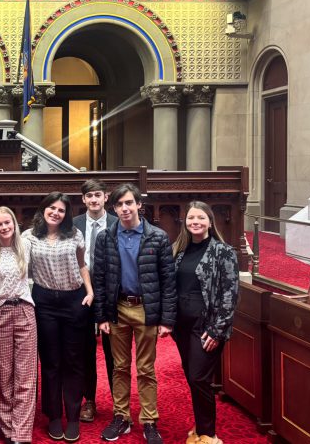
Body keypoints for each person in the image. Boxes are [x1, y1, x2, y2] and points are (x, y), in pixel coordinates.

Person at [93, 184, 176, 444]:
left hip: (145, 309)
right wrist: (102, 317)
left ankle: (149, 420)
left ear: (140, 204)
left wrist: (166, 319)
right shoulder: (105, 237)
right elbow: (100, 279)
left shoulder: (158, 237)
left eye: (129, 203)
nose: (125, 208)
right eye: (119, 205)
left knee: (146, 368)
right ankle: (122, 417)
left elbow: (168, 281)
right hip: (117, 309)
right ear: (114, 208)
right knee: (119, 367)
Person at [21, 192, 93, 442]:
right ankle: (53, 415)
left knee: (73, 360)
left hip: (74, 299)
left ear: (66, 214)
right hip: (44, 302)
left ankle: (73, 416)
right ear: (43, 210)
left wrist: (90, 291)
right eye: (51, 208)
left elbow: (82, 265)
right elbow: (22, 268)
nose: (56, 213)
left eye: (61, 210)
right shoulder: (28, 236)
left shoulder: (74, 234)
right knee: (51, 361)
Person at [172, 201, 239, 444]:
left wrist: (218, 330)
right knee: (192, 377)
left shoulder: (223, 251)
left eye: (200, 218)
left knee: (199, 377)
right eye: (191, 218)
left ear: (210, 222)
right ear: (185, 222)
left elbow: (230, 294)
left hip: (207, 326)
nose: (195, 222)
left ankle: (208, 435)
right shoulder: (179, 250)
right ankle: (200, 428)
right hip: (181, 326)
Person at [0, 206, 36, 444]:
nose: (4, 228)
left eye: (7, 223)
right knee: (3, 375)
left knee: (25, 375)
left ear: (15, 223)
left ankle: (21, 433)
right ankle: (8, 428)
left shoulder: (25, 244)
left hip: (24, 310)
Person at [73, 179, 117, 424]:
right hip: (81, 294)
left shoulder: (117, 223)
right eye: (89, 196)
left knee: (114, 352)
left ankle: (117, 404)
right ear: (83, 199)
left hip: (111, 294)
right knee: (84, 351)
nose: (93, 200)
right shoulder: (75, 225)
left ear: (105, 197)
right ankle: (88, 399)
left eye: (97, 195)